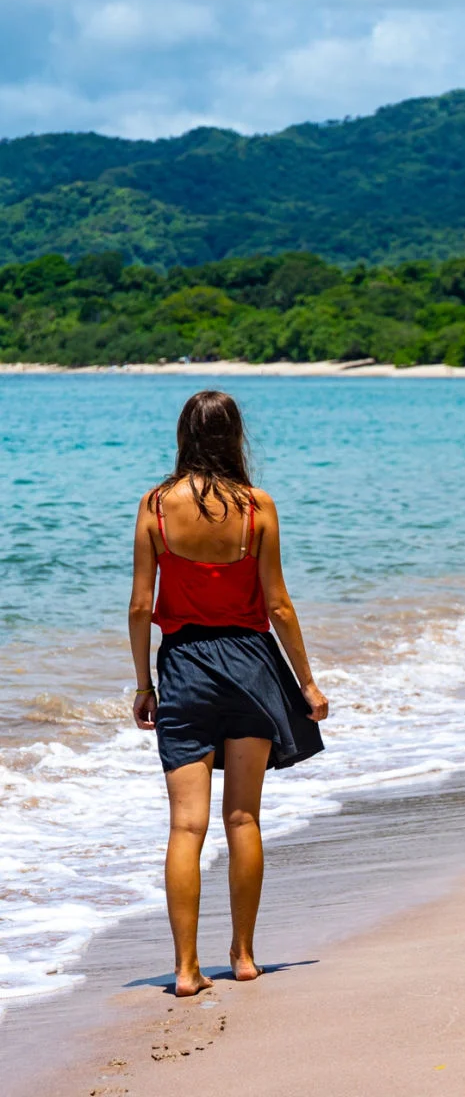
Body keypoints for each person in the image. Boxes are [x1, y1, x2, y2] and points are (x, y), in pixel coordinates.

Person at [128, 391, 327, 998]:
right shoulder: (255, 506)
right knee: (243, 818)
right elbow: (278, 605)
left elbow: (140, 606)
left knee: (185, 828)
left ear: (184, 435)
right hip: (250, 667)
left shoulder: (157, 506)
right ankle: (242, 956)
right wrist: (308, 681)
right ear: (236, 435)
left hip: (184, 666)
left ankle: (186, 970)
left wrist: (144, 684)